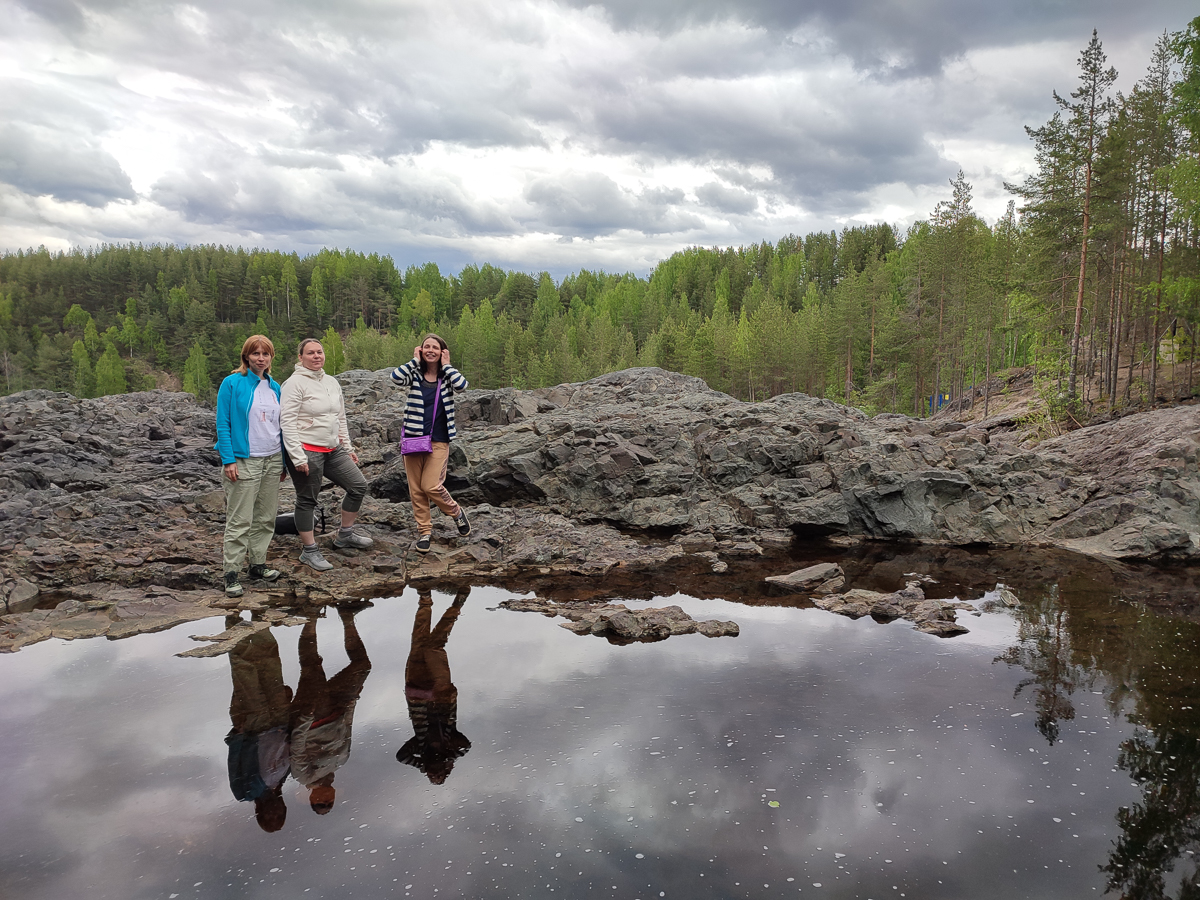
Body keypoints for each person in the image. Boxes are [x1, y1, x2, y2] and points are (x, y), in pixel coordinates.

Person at [280, 338, 372, 572]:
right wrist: (298, 457)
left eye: (319, 352)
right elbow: (287, 422)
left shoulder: (331, 382)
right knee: (307, 499)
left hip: (333, 449)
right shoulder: (294, 384)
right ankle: (309, 551)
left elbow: (340, 418)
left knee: (358, 485)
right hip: (307, 449)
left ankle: (345, 535)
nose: (316, 356)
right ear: (300, 357)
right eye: (310, 353)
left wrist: (348, 448)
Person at [215, 335, 287, 598]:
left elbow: (281, 427)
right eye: (255, 353)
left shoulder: (275, 387)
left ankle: (257, 565)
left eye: (265, 354)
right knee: (239, 519)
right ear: (246, 356)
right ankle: (231, 573)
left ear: (271, 358)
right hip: (244, 459)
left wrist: (284, 464)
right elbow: (223, 423)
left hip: (272, 459)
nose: (260, 358)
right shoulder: (232, 383)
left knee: (266, 517)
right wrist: (228, 459)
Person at [389, 334, 470, 554]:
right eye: (426, 347)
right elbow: (395, 378)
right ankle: (424, 532)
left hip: (439, 439)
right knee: (416, 490)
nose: (430, 350)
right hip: (414, 439)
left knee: (431, 485)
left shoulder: (447, 377)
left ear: (442, 351)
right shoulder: (415, 374)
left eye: (435, 347)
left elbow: (463, 386)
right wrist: (414, 360)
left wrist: (448, 364)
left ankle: (456, 512)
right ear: (421, 350)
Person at [289, 605, 372, 815]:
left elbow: (297, 746)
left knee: (312, 666)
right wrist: (352, 703)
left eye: (320, 804)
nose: (326, 801)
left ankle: (311, 617)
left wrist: (305, 718)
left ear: (312, 798)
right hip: (339, 706)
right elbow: (347, 730)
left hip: (314, 716)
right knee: (362, 666)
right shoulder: (341, 761)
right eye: (329, 804)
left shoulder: (304, 776)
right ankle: (347, 615)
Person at [396, 588, 471, 784]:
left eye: (431, 775)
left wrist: (422, 765)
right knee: (434, 648)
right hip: (441, 694)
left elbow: (401, 757)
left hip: (417, 692)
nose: (434, 772)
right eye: (439, 774)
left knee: (418, 644)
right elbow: (466, 746)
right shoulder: (450, 745)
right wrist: (450, 758)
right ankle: (455, 607)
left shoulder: (420, 747)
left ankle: (425, 601)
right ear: (447, 770)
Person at [224, 623, 293, 832]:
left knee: (245, 674)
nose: (274, 812)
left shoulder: (245, 792)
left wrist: (238, 734)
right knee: (271, 668)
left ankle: (234, 620)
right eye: (278, 815)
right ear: (284, 808)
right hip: (280, 720)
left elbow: (234, 764)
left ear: (259, 813)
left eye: (268, 816)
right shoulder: (282, 780)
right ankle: (261, 622)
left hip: (254, 727)